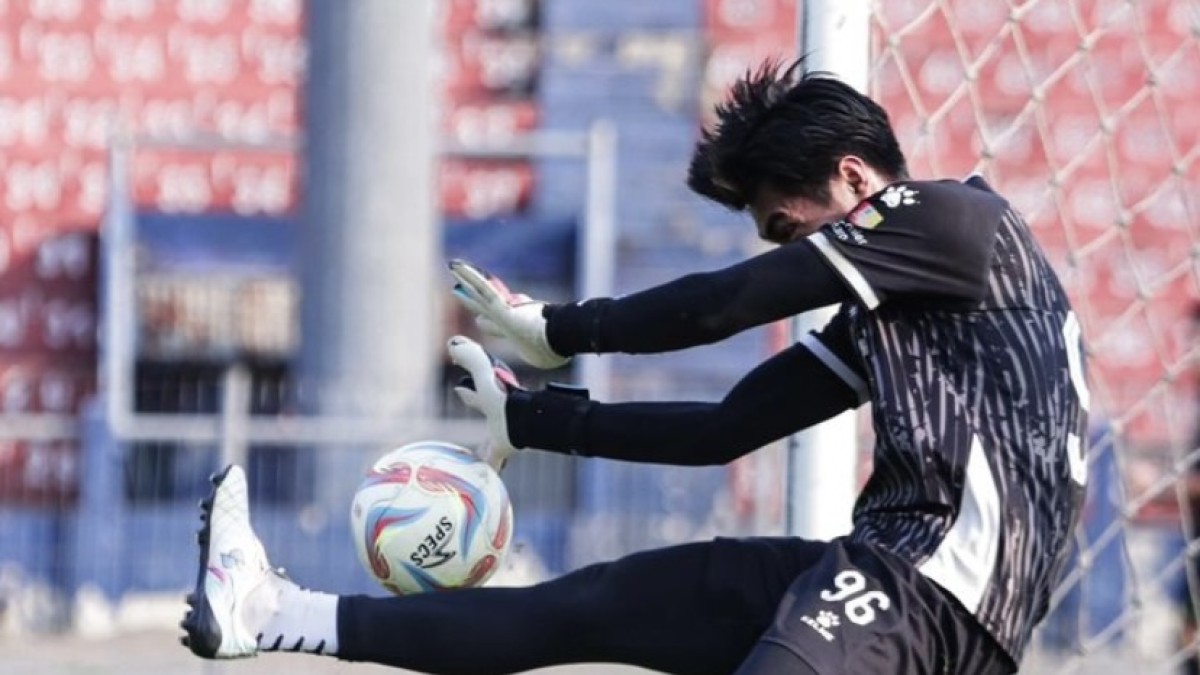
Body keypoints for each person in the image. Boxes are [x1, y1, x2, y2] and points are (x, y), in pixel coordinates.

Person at [180, 59, 1089, 674]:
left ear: (855, 180)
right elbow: (723, 429)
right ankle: (271, 612)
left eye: (786, 226)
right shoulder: (905, 304)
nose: (785, 253)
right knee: (596, 603)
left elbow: (724, 304)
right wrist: (535, 419)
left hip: (931, 590)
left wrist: (562, 327)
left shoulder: (945, 221)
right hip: (889, 575)